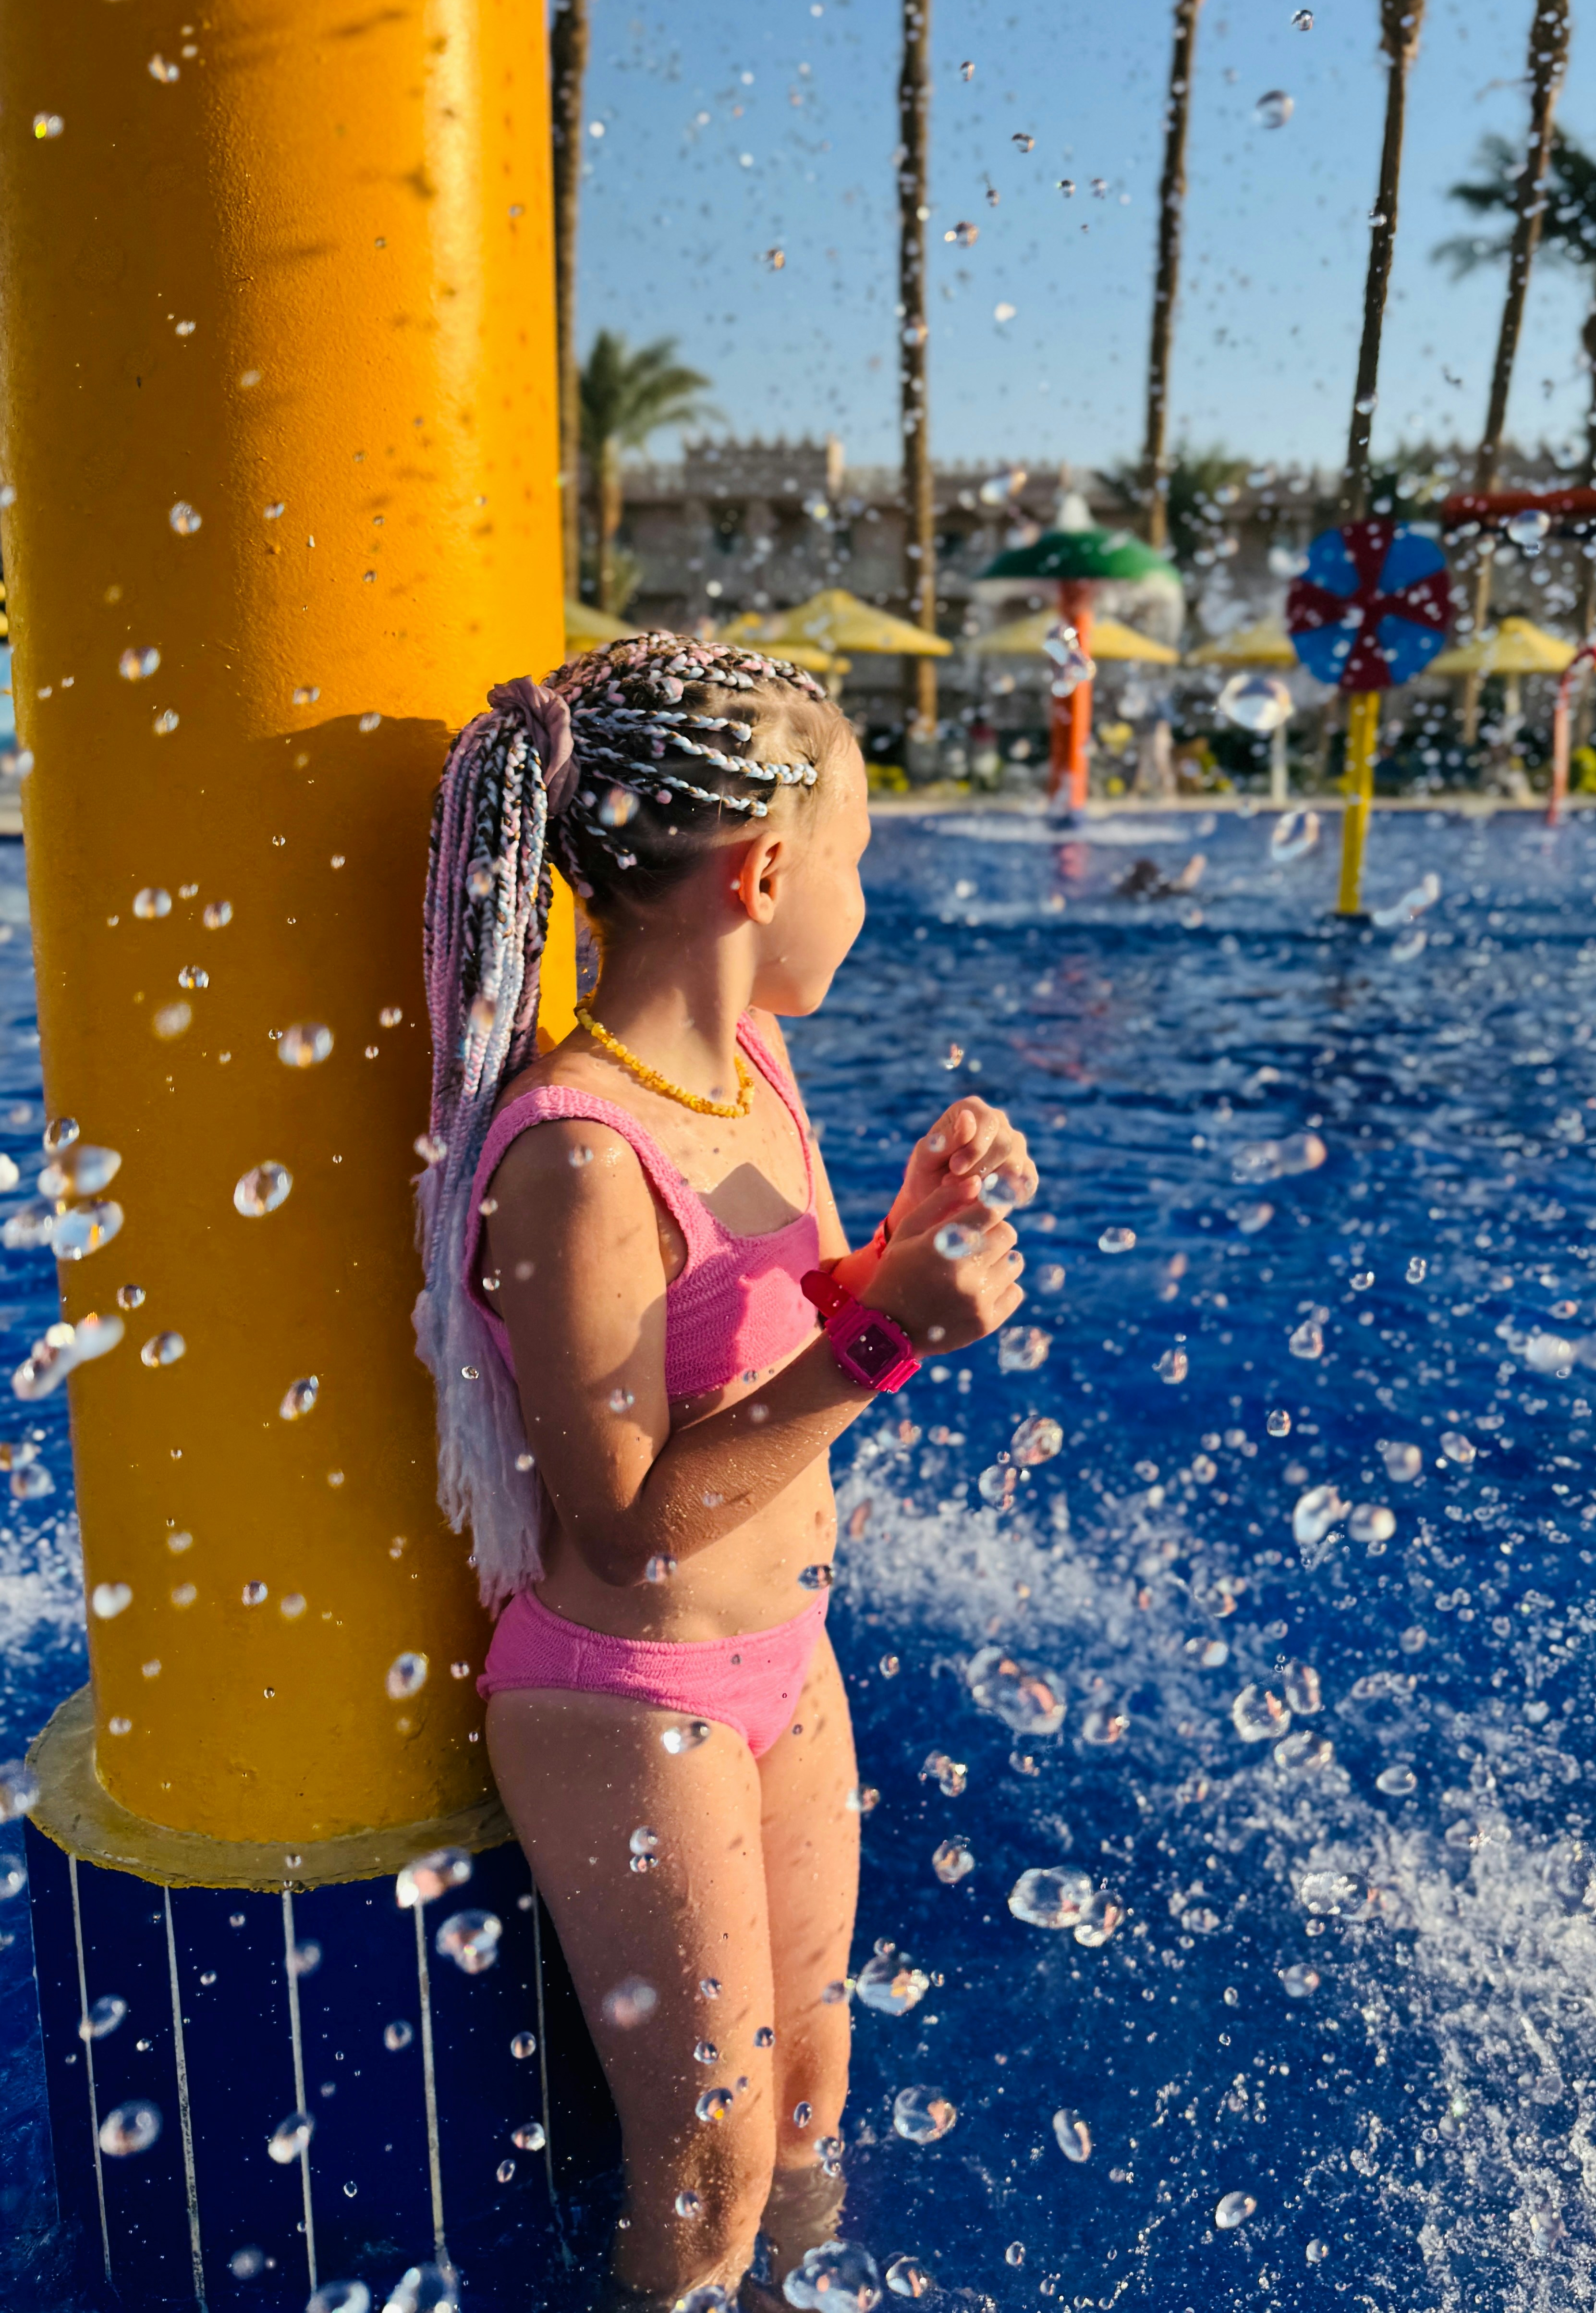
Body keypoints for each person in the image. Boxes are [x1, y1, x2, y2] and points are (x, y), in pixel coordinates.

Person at [413, 632, 1036, 2310]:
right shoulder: (579, 1156)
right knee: (705, 2167)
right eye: (853, 864)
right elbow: (617, 1531)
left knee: (816, 2094)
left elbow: (771, 1338)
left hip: (784, 1655)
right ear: (761, 872)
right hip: (632, 1688)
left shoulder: (753, 1069)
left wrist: (897, 1247)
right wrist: (885, 1341)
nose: (858, 903)